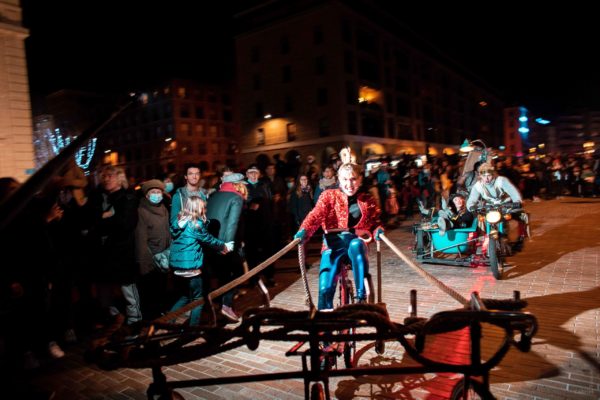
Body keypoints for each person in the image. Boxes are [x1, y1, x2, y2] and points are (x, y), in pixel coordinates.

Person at [294, 147, 382, 309]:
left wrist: (378, 232)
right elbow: (316, 215)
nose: (350, 184)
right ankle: (323, 323)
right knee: (325, 288)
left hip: (356, 247)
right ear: (339, 180)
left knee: (356, 244)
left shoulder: (367, 200)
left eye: (354, 179)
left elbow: (375, 222)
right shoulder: (329, 196)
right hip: (332, 246)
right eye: (345, 179)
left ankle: (360, 299)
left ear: (360, 179)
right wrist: (304, 230)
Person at [169, 196, 233, 326]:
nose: (205, 208)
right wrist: (224, 246)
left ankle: (168, 322)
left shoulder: (179, 223)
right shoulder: (195, 224)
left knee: (185, 297)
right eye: (203, 206)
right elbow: (209, 239)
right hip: (191, 268)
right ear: (197, 208)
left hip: (178, 268)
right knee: (198, 299)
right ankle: (193, 329)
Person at [205, 173, 247, 323]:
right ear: (237, 185)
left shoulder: (214, 196)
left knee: (220, 274)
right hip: (225, 243)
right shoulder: (236, 198)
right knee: (235, 273)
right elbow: (232, 223)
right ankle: (226, 305)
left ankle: (217, 303)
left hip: (210, 242)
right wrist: (228, 244)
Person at [134, 179, 171, 320]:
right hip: (151, 258)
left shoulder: (164, 209)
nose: (156, 194)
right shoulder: (141, 211)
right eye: (152, 192)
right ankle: (151, 319)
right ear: (147, 195)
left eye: (158, 192)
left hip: (163, 257)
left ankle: (161, 313)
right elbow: (140, 238)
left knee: (162, 288)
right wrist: (145, 263)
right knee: (150, 290)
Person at [170, 164, 205, 237]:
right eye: (190, 174)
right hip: (185, 237)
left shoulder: (203, 195)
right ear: (186, 176)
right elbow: (173, 222)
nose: (194, 177)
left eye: (197, 174)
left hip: (202, 237)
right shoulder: (178, 196)